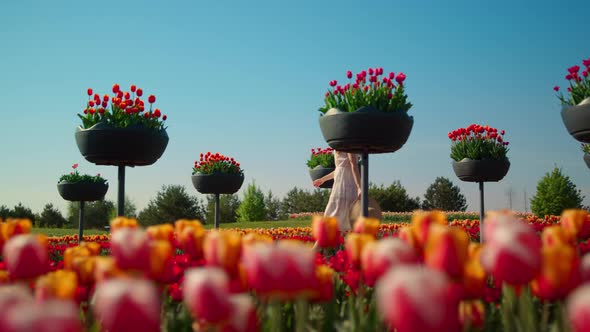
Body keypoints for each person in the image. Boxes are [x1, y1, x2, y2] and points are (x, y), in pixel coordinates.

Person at [313, 150, 362, 233]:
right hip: (348, 183)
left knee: (335, 213)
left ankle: (325, 243)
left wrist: (323, 179)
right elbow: (353, 165)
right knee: (349, 215)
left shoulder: (337, 147)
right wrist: (359, 187)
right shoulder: (348, 144)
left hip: (340, 183)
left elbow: (340, 168)